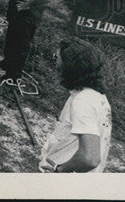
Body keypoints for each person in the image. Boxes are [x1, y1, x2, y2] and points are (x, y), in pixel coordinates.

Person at [39, 38, 112, 172]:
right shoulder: (97, 96)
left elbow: (90, 158)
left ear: (69, 67)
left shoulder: (83, 102)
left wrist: (60, 169)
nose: (54, 63)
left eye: (56, 58)